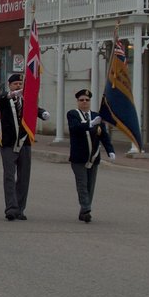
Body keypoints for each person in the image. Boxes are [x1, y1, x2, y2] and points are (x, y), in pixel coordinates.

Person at [0, 73, 51, 221]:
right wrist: (11, 94)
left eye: (20, 84)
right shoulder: (4, 99)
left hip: (25, 142)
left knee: (24, 176)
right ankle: (11, 208)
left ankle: (20, 208)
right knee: (9, 175)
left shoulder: (26, 100)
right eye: (16, 84)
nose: (19, 87)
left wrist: (43, 113)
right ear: (10, 85)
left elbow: (34, 109)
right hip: (8, 142)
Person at [67, 89, 116, 223]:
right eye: (81, 100)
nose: (84, 102)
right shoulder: (73, 114)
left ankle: (84, 212)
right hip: (79, 157)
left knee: (90, 185)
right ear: (77, 101)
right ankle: (86, 208)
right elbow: (75, 128)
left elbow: (104, 136)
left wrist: (110, 150)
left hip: (93, 157)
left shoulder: (96, 116)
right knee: (82, 184)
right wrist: (90, 124)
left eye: (87, 100)